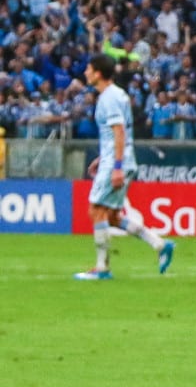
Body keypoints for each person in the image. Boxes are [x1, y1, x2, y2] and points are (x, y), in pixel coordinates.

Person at [73, 52, 173, 282]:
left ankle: (102, 268)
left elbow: (119, 131)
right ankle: (160, 244)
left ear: (98, 73)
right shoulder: (118, 94)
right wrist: (103, 157)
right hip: (118, 158)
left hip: (117, 162)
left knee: (96, 211)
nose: (86, 73)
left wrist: (116, 166)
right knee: (113, 216)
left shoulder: (108, 98)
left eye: (88, 69)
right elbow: (117, 134)